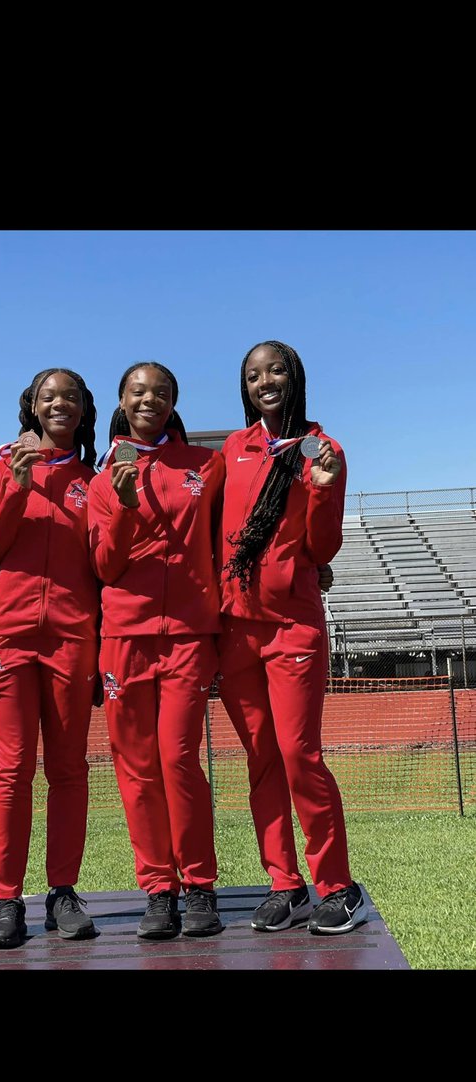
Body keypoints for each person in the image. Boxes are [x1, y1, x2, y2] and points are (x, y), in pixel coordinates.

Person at [217, 339, 367, 935]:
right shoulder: (234, 448)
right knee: (261, 759)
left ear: (294, 376)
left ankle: (336, 885)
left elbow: (320, 548)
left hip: (292, 625)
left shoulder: (322, 450)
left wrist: (325, 488)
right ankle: (286, 884)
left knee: (300, 754)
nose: (265, 380)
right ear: (245, 386)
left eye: (275, 369)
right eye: (254, 374)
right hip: (236, 630)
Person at [88, 361, 224, 940]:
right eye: (139, 391)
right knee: (137, 769)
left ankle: (198, 885)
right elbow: (104, 565)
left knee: (178, 759)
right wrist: (119, 505)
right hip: (125, 636)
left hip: (190, 633)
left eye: (161, 392)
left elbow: (237, 528)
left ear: (173, 402)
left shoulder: (204, 466)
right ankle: (158, 889)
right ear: (123, 399)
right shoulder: (102, 479)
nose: (150, 400)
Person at [0, 368, 101, 949]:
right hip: (10, 638)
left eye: (70, 397)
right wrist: (18, 488)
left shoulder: (93, 481)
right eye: (49, 397)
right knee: (13, 767)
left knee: (69, 769)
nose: (60, 405)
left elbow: (105, 565)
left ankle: (62, 892)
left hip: (72, 640)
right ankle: (6, 900)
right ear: (31, 407)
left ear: (82, 410)